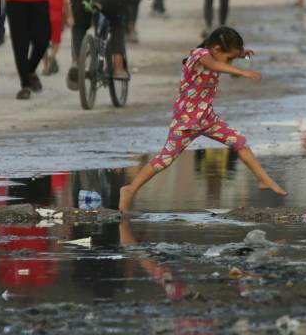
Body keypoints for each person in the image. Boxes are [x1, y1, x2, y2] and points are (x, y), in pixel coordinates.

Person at [117, 27, 286, 213]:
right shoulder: (200, 55)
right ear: (215, 49)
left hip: (207, 119)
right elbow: (213, 65)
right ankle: (130, 189)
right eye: (229, 57)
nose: (229, 61)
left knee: (240, 142)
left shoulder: (214, 54)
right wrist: (242, 72)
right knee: (164, 160)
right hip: (186, 121)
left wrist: (241, 55)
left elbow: (219, 60)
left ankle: (263, 179)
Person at [43, 0, 68, 76]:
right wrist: (67, 18)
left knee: (41, 43)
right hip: (56, 17)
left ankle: (46, 66)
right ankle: (53, 55)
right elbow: (65, 3)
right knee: (56, 40)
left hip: (41, 17)